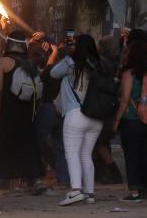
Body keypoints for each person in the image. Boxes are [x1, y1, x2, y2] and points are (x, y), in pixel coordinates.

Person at [112, 41, 147, 203]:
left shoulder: (129, 74)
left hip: (132, 120)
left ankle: (135, 192)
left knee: (132, 156)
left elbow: (124, 100)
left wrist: (116, 120)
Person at [51, 34, 103, 206]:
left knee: (72, 153)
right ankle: (89, 193)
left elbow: (53, 72)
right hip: (96, 117)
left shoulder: (72, 63)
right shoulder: (98, 65)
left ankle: (75, 191)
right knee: (86, 155)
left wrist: (67, 56)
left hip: (75, 114)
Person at [0, 30, 43, 191]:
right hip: (27, 109)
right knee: (27, 142)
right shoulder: (29, 62)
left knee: (8, 142)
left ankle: (7, 179)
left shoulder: (4, 61)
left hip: (9, 109)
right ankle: (32, 178)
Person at [30, 32, 70, 188]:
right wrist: (53, 51)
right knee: (60, 145)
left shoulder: (53, 70)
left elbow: (48, 70)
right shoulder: (70, 72)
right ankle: (64, 179)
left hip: (48, 108)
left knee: (37, 141)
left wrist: (52, 52)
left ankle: (35, 174)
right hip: (63, 111)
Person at [93, 35, 123, 185]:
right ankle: (105, 172)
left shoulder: (102, 63)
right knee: (103, 141)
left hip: (102, 105)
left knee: (99, 142)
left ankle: (113, 172)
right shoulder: (115, 62)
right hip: (110, 105)